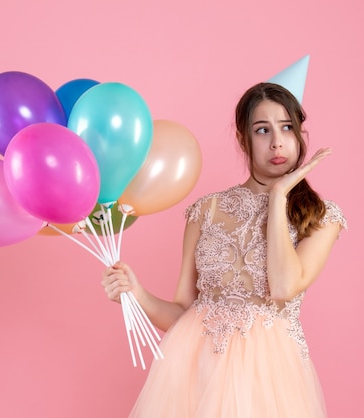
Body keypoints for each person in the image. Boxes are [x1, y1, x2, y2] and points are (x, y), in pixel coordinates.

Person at [101, 82, 347, 418]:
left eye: (286, 127)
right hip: (197, 376)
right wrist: (136, 294)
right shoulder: (205, 212)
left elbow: (285, 287)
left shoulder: (321, 216)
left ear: (300, 134)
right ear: (242, 139)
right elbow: (183, 315)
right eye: (262, 130)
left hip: (269, 384)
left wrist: (278, 198)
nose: (276, 141)